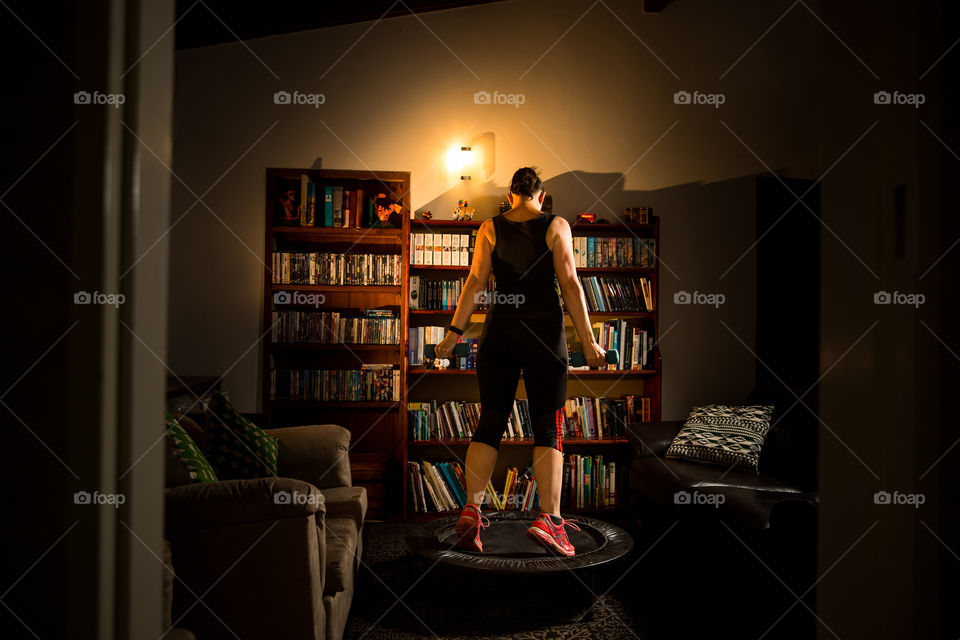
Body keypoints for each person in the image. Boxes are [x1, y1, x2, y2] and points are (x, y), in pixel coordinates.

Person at [434, 167, 606, 556]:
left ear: (511, 196)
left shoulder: (489, 227)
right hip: (544, 335)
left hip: (500, 333)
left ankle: (472, 511)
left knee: (491, 420)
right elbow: (570, 283)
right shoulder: (556, 224)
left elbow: (475, 283)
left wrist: (453, 333)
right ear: (540, 196)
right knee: (548, 426)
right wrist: (591, 341)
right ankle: (551, 522)